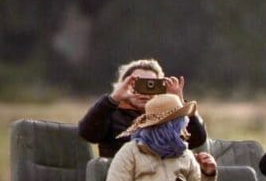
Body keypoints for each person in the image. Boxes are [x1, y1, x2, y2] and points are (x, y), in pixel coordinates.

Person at [79, 58, 208, 158]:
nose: (144, 92)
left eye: (151, 85)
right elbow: (88, 134)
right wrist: (112, 99)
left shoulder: (167, 116)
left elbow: (197, 140)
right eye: (137, 84)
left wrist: (178, 103)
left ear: (160, 89)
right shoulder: (110, 113)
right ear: (124, 85)